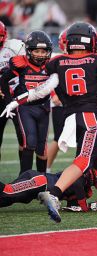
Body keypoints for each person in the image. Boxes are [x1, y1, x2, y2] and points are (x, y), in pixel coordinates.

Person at [1, 22, 97, 226]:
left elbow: (43, 90)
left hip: (70, 118)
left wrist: (16, 100)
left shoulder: (58, 62)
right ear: (90, 41)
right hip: (89, 117)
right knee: (83, 160)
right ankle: (54, 193)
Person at [0, 30, 52, 174]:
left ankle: (42, 180)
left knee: (42, 148)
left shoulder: (51, 65)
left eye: (43, 51)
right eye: (37, 51)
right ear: (29, 51)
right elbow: (4, 79)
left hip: (44, 108)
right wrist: (9, 101)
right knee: (29, 142)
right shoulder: (21, 63)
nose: (40, 55)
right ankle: (25, 179)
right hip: (25, 108)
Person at [0, 169, 97, 212]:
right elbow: (77, 185)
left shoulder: (84, 186)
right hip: (39, 181)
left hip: (37, 189)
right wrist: (85, 207)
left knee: (6, 200)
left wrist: (92, 206)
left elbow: (72, 206)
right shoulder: (79, 177)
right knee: (8, 191)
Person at [0, 21, 25, 161]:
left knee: (23, 137)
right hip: (0, 97)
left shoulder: (15, 47)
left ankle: (23, 175)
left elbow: (27, 67)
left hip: (17, 95)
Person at [46, 28, 67, 173]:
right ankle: (45, 169)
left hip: (79, 103)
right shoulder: (56, 58)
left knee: (87, 137)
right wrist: (53, 94)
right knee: (58, 138)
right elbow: (48, 78)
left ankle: (92, 170)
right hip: (60, 103)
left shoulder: (86, 58)